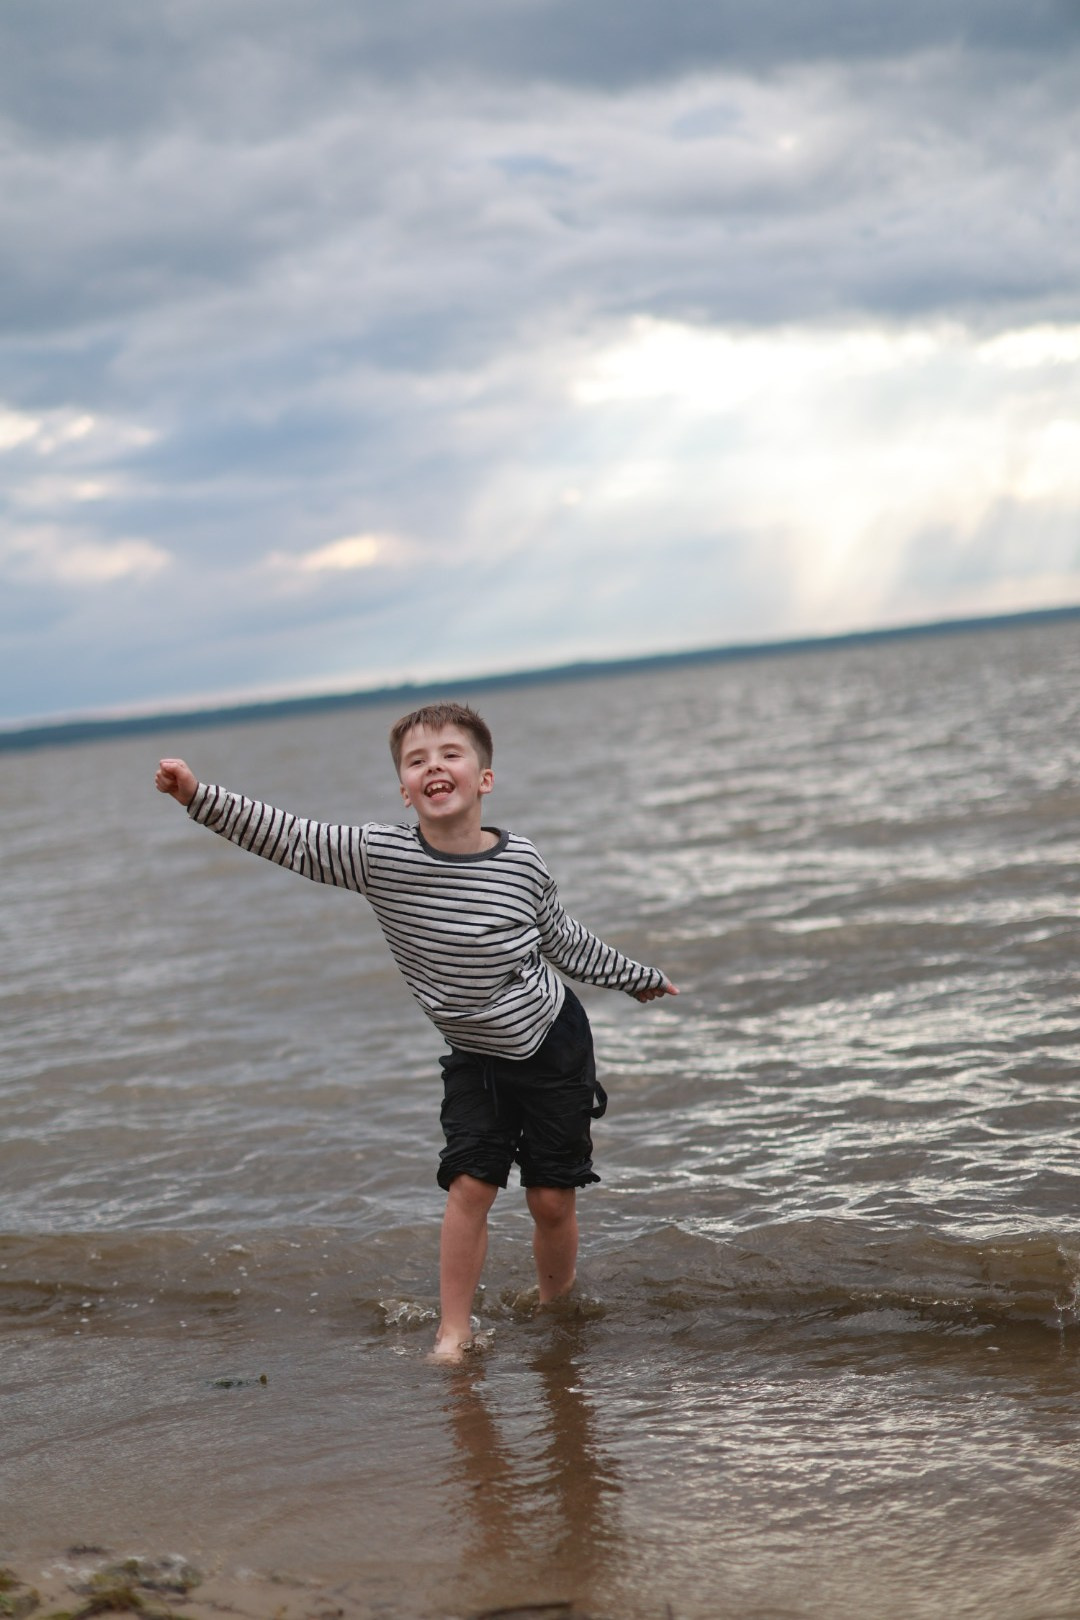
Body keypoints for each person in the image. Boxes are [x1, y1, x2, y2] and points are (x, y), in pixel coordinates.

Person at [155, 701, 677, 1359]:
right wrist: (197, 796)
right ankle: (453, 1332)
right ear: (405, 790)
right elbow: (289, 837)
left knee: (550, 1198)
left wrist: (633, 976)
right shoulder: (380, 856)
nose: (434, 766)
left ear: (484, 778)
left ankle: (557, 1307)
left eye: (450, 754)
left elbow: (561, 939)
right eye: (416, 760)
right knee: (470, 1185)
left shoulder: (522, 862)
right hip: (475, 1056)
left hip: (552, 1041)